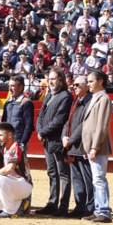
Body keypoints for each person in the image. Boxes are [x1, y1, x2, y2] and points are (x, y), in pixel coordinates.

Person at [36, 68, 73, 216]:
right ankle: (52, 203)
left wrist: (42, 132)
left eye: (53, 79)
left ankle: (63, 206)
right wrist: (40, 130)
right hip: (48, 141)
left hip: (57, 140)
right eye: (49, 79)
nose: (50, 82)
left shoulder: (65, 96)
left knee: (63, 173)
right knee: (52, 172)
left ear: (61, 80)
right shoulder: (50, 95)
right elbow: (41, 116)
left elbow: (60, 120)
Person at [0, 123, 33, 219]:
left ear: (9, 135)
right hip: (11, 185)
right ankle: (20, 205)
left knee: (0, 179)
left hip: (23, 184)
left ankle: (9, 212)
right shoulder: (5, 148)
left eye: (0, 135)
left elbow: (9, 168)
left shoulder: (16, 147)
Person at [82, 71, 113, 223]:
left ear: (100, 81)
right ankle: (98, 209)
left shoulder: (104, 98)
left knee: (99, 178)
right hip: (92, 146)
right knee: (96, 179)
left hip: (98, 146)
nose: (88, 84)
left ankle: (104, 211)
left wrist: (94, 147)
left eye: (91, 81)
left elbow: (101, 125)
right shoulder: (95, 98)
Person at [62, 76, 94, 218]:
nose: (74, 87)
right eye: (73, 85)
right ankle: (80, 207)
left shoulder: (89, 102)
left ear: (86, 86)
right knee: (77, 179)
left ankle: (90, 208)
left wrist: (70, 140)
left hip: (82, 146)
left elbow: (84, 125)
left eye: (77, 85)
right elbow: (68, 122)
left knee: (88, 179)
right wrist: (64, 136)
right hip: (73, 147)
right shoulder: (76, 101)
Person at [2, 75, 35, 149]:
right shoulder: (8, 103)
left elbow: (28, 126)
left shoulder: (26, 103)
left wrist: (22, 143)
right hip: (6, 142)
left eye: (13, 86)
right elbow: (3, 123)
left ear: (21, 87)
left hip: (18, 142)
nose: (10, 89)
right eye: (9, 86)